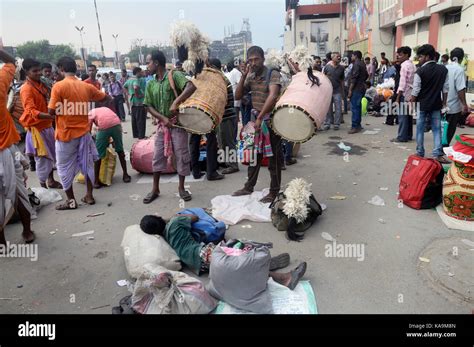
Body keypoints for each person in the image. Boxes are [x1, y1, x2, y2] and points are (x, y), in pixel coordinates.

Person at [140, 214, 307, 290]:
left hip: (197, 265)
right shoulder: (175, 223)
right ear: (159, 218)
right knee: (239, 248)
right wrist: (171, 217)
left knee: (236, 260)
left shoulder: (164, 238)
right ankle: (284, 278)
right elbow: (194, 218)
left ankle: (262, 263)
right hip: (202, 253)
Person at [48, 57, 111, 210]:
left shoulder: (58, 86)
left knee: (63, 168)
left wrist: (67, 110)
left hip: (65, 135)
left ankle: (71, 202)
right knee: (87, 164)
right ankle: (89, 196)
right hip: (84, 134)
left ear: (61, 68)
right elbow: (106, 98)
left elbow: (51, 111)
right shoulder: (86, 86)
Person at [142, 50, 195, 204]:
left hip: (178, 124)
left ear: (156, 63)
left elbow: (191, 86)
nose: (147, 65)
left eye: (148, 62)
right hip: (162, 126)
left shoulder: (174, 75)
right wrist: (162, 118)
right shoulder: (151, 82)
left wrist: (176, 102)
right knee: (157, 156)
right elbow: (148, 105)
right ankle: (155, 189)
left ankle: (181, 188)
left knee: (181, 155)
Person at [232, 46, 282, 203]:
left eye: (256, 59)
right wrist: (244, 76)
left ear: (263, 59)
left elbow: (273, 96)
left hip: (271, 122)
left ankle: (274, 191)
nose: (253, 63)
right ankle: (248, 186)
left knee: (273, 159)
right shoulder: (251, 76)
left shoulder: (272, 74)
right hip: (256, 122)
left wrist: (260, 117)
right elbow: (238, 95)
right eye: (250, 60)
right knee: (253, 156)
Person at [0, 48, 35, 245]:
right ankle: (27, 232)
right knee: (18, 193)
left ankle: (3, 242)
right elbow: (13, 62)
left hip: (8, 149)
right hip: (7, 151)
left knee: (16, 194)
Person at [19, 58, 62, 189]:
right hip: (37, 129)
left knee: (51, 156)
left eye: (39, 70)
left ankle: (51, 181)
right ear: (26, 72)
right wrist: (50, 115)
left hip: (47, 126)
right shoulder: (26, 89)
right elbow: (30, 111)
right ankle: (43, 187)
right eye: (35, 71)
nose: (38, 73)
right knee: (42, 159)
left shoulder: (42, 84)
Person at [409, 44, 450, 164]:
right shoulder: (443, 70)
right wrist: (444, 103)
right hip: (436, 104)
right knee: (437, 129)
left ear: (427, 57)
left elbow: (416, 89)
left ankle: (420, 152)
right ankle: (437, 153)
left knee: (420, 128)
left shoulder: (420, 71)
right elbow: (445, 89)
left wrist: (412, 102)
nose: (419, 59)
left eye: (420, 56)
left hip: (422, 105)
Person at [189, 59, 226, 181]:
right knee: (211, 142)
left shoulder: (197, 75)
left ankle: (195, 171)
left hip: (194, 111)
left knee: (194, 141)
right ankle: (211, 172)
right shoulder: (215, 78)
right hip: (206, 113)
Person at [89, 107, 131, 187]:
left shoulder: (90, 113)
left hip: (104, 126)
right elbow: (111, 122)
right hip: (116, 123)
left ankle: (96, 181)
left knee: (98, 155)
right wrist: (111, 141)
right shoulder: (105, 109)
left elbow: (88, 132)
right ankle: (125, 175)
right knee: (120, 150)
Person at [221, 60, 242, 175]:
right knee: (225, 141)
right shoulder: (222, 78)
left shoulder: (222, 80)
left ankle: (233, 165)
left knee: (228, 142)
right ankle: (228, 163)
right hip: (226, 115)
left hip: (227, 116)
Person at [391, 46, 416, 143]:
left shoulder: (404, 66)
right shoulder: (412, 65)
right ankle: (408, 135)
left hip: (404, 93)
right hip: (411, 93)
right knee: (408, 115)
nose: (398, 56)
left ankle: (402, 136)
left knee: (402, 116)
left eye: (400, 54)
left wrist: (398, 96)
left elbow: (402, 83)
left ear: (406, 55)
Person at [445, 47, 469, 146]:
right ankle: (443, 148)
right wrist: (464, 104)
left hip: (442, 103)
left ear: (450, 57)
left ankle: (439, 148)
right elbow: (460, 89)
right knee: (450, 129)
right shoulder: (459, 70)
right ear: (462, 58)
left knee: (442, 128)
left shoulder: (445, 67)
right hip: (453, 105)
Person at [323, 52, 344, 131]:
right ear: (332, 58)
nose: (339, 58)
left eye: (340, 57)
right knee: (328, 108)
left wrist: (343, 92)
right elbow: (323, 78)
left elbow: (342, 80)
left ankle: (336, 124)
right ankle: (327, 123)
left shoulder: (342, 68)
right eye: (337, 57)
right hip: (328, 91)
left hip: (337, 90)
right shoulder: (327, 67)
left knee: (338, 108)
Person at [347, 50, 368, 134]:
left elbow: (354, 78)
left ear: (355, 56)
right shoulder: (363, 64)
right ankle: (358, 125)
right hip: (361, 87)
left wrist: (350, 90)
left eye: (352, 56)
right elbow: (366, 75)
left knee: (355, 108)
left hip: (356, 88)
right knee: (358, 107)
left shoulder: (356, 64)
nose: (351, 57)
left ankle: (355, 126)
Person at [124, 67, 147, 139]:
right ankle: (141, 136)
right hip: (139, 102)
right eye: (141, 72)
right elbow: (136, 87)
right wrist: (138, 95)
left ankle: (136, 134)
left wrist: (128, 93)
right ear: (137, 72)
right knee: (140, 119)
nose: (142, 73)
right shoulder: (136, 80)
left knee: (134, 119)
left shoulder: (129, 79)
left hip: (132, 102)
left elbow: (124, 86)